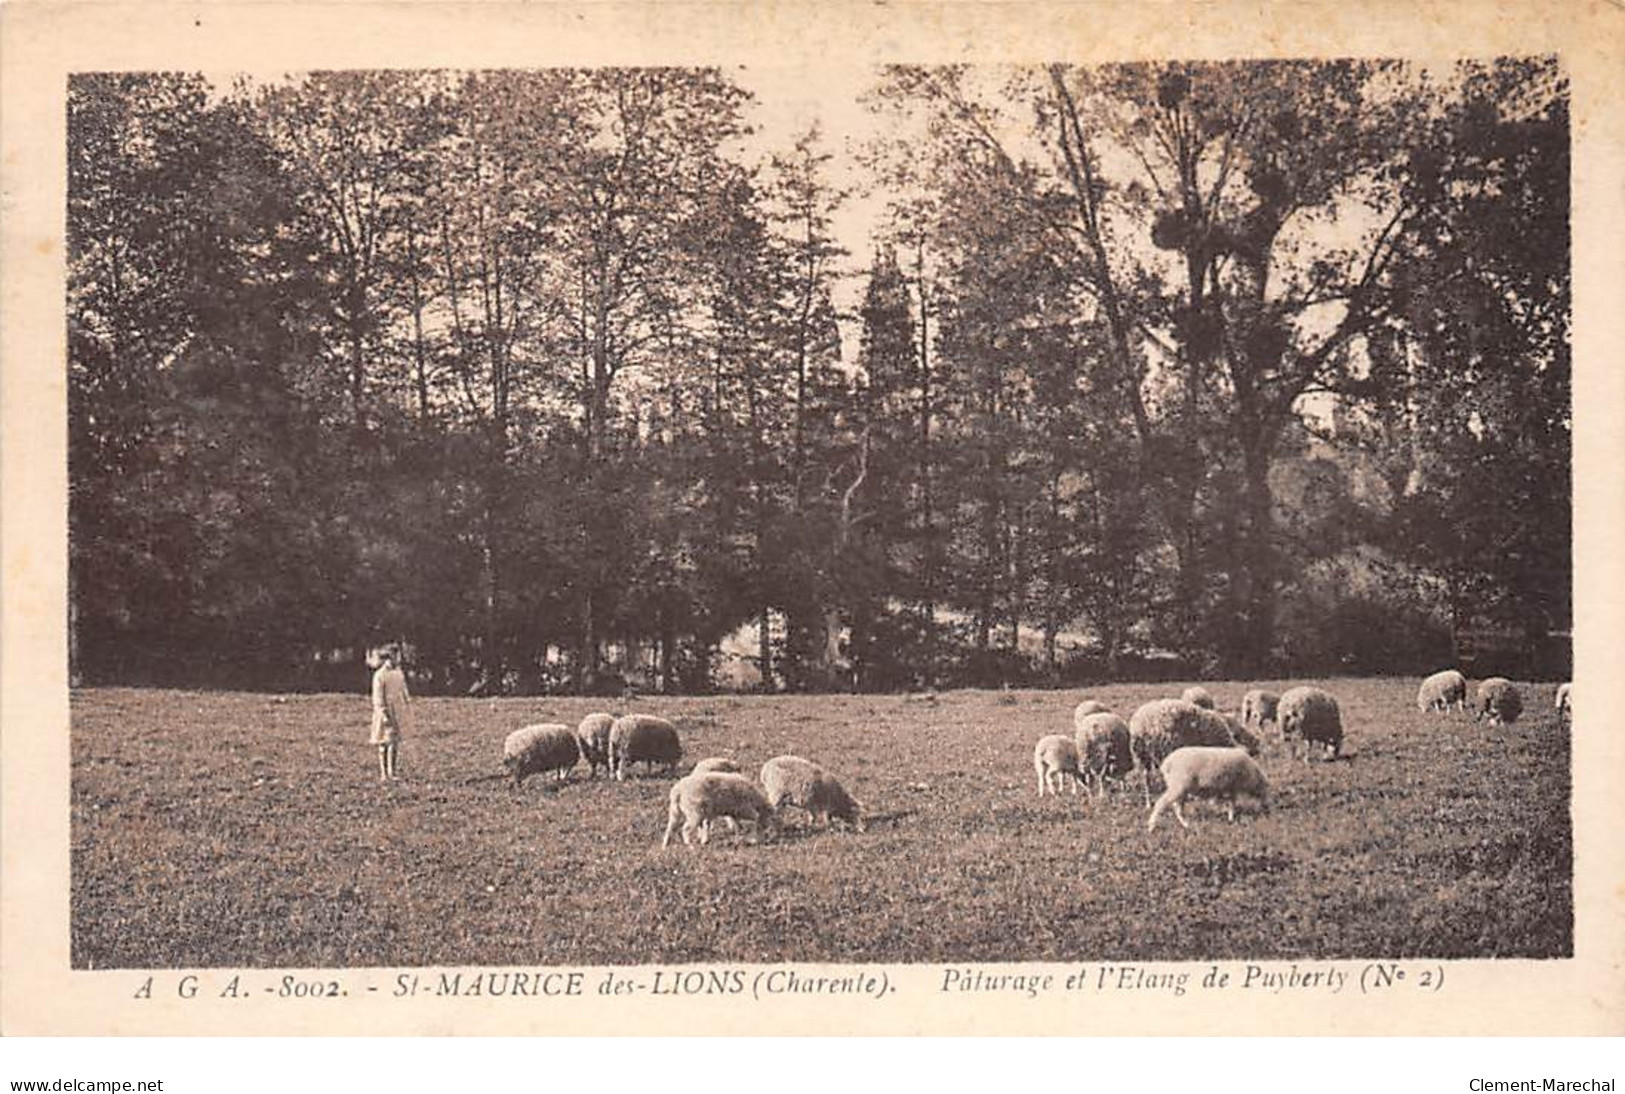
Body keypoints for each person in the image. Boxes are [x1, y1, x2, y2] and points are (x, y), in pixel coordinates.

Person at [369, 644, 411, 781]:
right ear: (389, 656)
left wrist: (406, 703)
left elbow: (403, 690)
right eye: (395, 655)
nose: (397, 658)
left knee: (394, 741)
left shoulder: (398, 673)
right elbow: (378, 696)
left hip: (396, 710)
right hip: (385, 711)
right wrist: (383, 712)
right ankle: (383, 773)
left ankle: (392, 772)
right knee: (384, 741)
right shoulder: (380, 675)